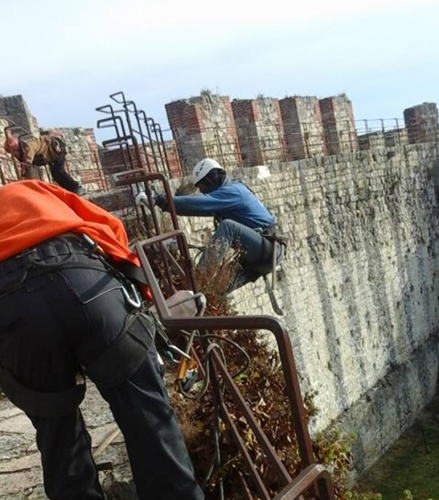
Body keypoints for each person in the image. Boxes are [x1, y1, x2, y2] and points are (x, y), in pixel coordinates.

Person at [0, 180, 204, 500]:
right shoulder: (30, 188)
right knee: (150, 420)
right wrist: (143, 298)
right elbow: (108, 226)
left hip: (13, 313)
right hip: (87, 284)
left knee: (59, 440)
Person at [152, 158, 285, 290]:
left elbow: (199, 203)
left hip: (268, 249)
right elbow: (193, 208)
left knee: (228, 227)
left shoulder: (233, 191)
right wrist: (166, 204)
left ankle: (199, 277)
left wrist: (160, 200)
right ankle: (192, 300)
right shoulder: (226, 197)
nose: (202, 191)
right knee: (214, 289)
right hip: (258, 256)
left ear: (211, 179)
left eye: (202, 186)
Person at [4, 134, 84, 194]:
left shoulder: (28, 146)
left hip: (55, 148)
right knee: (56, 175)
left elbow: (27, 161)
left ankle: (77, 187)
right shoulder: (22, 152)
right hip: (51, 155)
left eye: (13, 151)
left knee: (59, 172)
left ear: (16, 147)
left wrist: (22, 175)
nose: (13, 154)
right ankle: (70, 191)